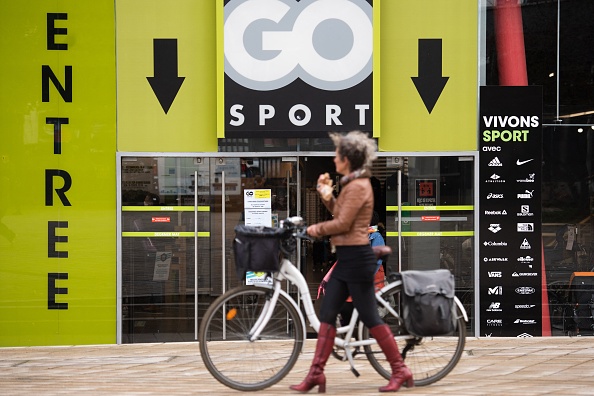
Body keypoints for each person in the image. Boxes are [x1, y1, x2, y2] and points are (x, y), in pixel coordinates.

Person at [290, 131, 413, 393]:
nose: (334, 159)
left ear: (347, 159)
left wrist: (314, 230)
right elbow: (341, 213)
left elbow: (343, 223)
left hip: (357, 260)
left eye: (337, 155)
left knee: (370, 318)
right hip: (346, 260)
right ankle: (316, 374)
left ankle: (400, 370)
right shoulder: (351, 184)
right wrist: (326, 195)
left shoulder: (359, 186)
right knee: (327, 315)